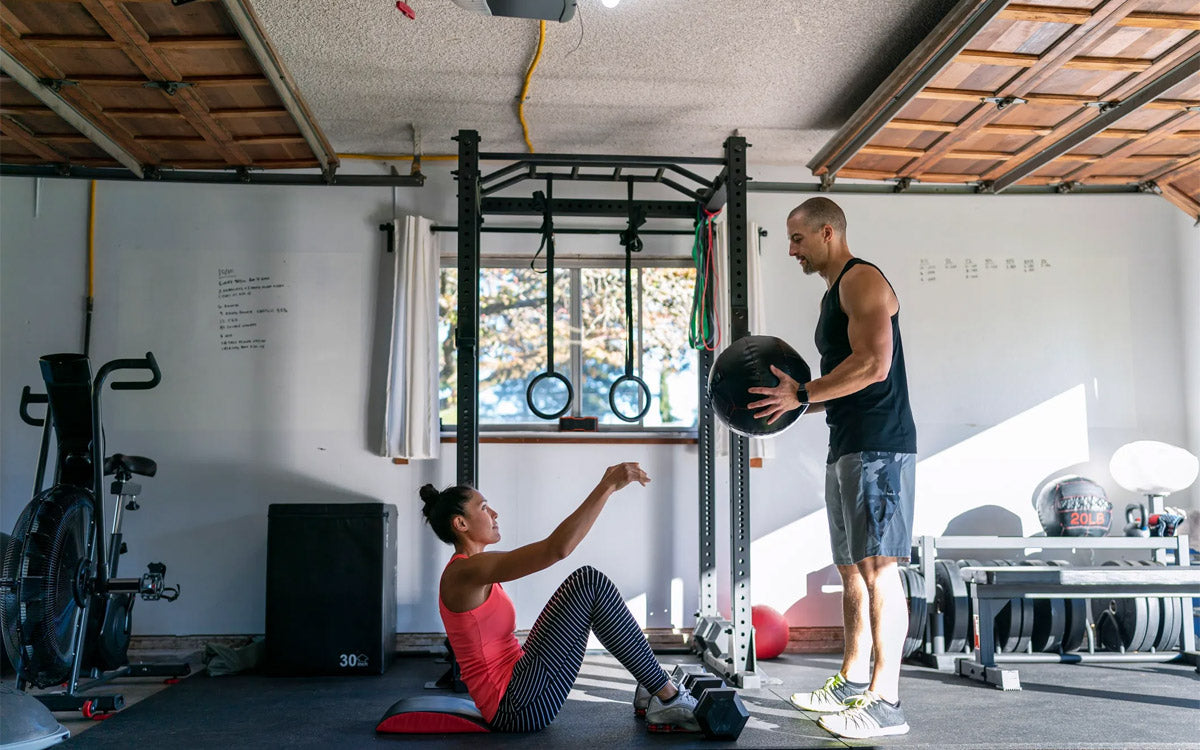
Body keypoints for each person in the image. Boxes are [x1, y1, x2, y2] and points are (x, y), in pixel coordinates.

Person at [748, 196, 917, 740]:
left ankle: (886, 699)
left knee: (879, 569)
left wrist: (804, 391)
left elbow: (874, 363)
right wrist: (797, 401)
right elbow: (844, 378)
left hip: (879, 445)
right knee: (849, 568)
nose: (791, 250)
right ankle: (849, 681)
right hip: (846, 442)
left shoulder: (861, 280)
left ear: (827, 233)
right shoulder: (832, 293)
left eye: (797, 239)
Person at [419, 462, 699, 733]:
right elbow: (557, 549)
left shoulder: (475, 570)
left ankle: (655, 688)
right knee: (589, 584)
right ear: (460, 523)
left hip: (522, 687)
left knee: (587, 585)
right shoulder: (465, 572)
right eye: (483, 507)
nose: (494, 513)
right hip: (515, 708)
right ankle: (669, 697)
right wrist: (607, 486)